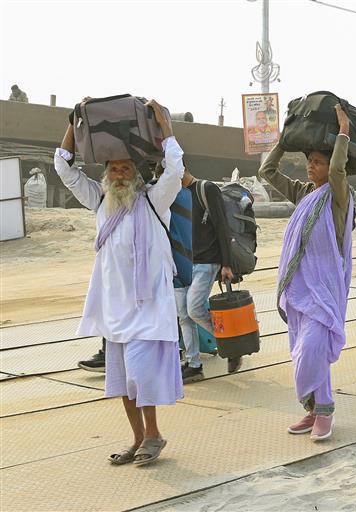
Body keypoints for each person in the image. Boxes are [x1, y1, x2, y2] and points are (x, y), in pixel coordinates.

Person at [54, 99, 183, 465]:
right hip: (115, 309)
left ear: (137, 174)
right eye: (113, 168)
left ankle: (154, 434)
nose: (119, 174)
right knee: (123, 382)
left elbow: (174, 170)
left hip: (149, 307)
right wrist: (73, 123)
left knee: (141, 375)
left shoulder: (155, 201)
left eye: (126, 168)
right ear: (106, 174)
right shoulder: (99, 202)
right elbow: (63, 168)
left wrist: (166, 129)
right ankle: (139, 438)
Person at [259, 104, 353, 441]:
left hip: (325, 286)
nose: (311, 167)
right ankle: (314, 411)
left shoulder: (339, 196)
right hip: (299, 286)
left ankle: (324, 409)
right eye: (309, 162)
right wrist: (283, 141)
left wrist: (343, 133)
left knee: (312, 348)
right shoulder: (304, 194)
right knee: (300, 348)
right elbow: (267, 172)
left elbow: (340, 172)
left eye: (318, 162)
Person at [176, 163, 240, 382]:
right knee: (184, 316)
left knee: (194, 309)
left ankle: (231, 344)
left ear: (181, 167)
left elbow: (222, 226)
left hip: (206, 261)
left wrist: (227, 263)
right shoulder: (173, 195)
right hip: (182, 264)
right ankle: (193, 365)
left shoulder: (206, 189)